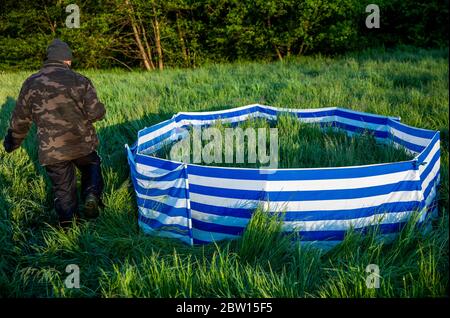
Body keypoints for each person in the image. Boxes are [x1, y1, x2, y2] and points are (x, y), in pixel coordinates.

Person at [3, 39, 106, 228]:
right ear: (67, 60)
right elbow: (95, 113)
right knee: (91, 165)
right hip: (81, 143)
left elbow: (20, 119)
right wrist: (101, 109)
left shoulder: (31, 83)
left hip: (52, 149)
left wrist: (12, 142)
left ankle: (68, 227)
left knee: (63, 189)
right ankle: (91, 194)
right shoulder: (80, 79)